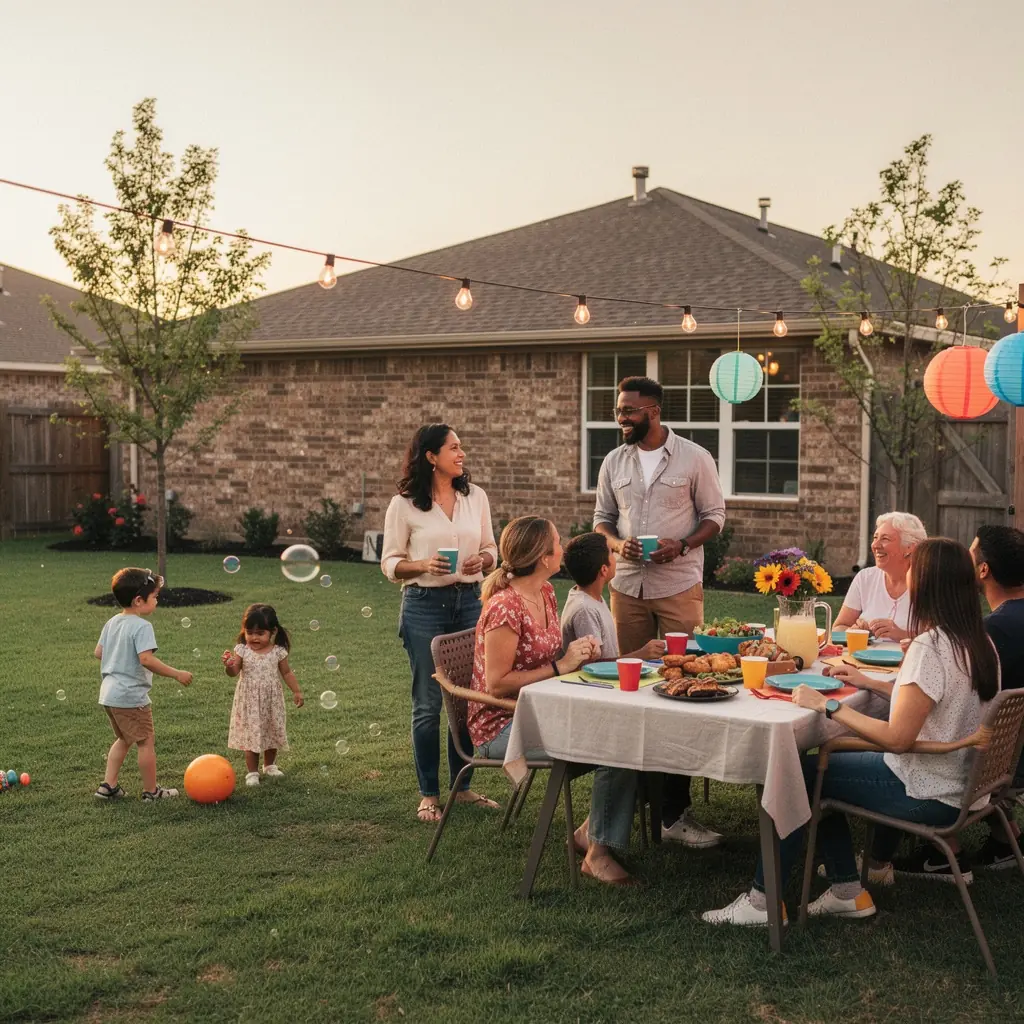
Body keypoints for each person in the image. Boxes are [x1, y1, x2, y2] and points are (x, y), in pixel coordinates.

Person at [703, 538, 999, 927]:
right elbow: (929, 700)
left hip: (927, 789)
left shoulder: (929, 646)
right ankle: (846, 891)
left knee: (800, 774)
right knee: (826, 764)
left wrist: (828, 705)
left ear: (926, 582)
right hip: (962, 784)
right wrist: (868, 683)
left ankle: (764, 901)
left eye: (913, 569)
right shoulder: (977, 643)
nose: (906, 574)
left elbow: (898, 739)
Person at [468, 515, 642, 885]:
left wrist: (580, 652)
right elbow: (497, 685)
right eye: (558, 543)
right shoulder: (505, 607)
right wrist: (562, 664)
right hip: (503, 724)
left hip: (543, 709)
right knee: (618, 745)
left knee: (628, 731)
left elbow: (551, 660)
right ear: (544, 558)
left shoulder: (546, 593)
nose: (563, 548)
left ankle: (588, 833)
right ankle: (597, 854)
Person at [593, 375, 726, 847]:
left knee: (681, 690)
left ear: (653, 410)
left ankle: (674, 813)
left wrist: (682, 544)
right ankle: (632, 805)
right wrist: (615, 544)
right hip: (627, 587)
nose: (621, 419)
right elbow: (601, 520)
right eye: (617, 411)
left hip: (678, 586)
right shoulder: (614, 460)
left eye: (628, 411)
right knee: (632, 690)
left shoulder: (694, 457)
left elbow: (715, 516)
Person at [382, 423, 499, 824]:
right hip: (424, 604)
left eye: (461, 446)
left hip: (470, 601)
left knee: (466, 698)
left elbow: (491, 550)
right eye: (453, 447)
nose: (461, 453)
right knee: (429, 703)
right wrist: (422, 565)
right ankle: (428, 794)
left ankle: (462, 788)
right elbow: (390, 563)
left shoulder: (475, 496)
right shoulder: (404, 505)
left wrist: (481, 562)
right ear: (431, 456)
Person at [895, 524, 1024, 875]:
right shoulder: (995, 627)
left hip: (991, 760)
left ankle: (912, 852)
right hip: (1002, 753)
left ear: (982, 570)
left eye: (970, 554)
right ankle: (1002, 837)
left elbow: (957, 695)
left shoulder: (992, 632)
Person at [561, 531, 667, 881]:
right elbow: (598, 669)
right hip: (585, 710)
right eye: (613, 552)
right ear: (606, 570)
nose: (618, 555)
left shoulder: (594, 600)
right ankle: (598, 852)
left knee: (648, 738)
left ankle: (589, 830)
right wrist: (643, 655)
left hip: (600, 703)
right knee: (624, 749)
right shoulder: (585, 610)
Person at [93, 568, 192, 801]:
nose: (157, 600)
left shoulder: (112, 622)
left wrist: (119, 657)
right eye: (155, 596)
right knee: (145, 741)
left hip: (109, 694)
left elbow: (99, 653)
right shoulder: (142, 626)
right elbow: (146, 659)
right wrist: (177, 674)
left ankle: (108, 786)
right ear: (139, 600)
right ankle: (151, 791)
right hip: (130, 696)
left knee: (124, 739)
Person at [222, 604, 304, 787]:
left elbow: (287, 673)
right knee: (252, 735)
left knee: (271, 730)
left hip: (271, 700)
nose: (254, 637)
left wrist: (296, 691)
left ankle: (269, 765)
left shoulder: (278, 651)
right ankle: (252, 772)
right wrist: (229, 665)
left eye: (260, 633)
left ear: (272, 631)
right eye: (249, 632)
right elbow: (234, 671)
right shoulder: (242, 650)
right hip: (249, 701)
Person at [834, 512, 927, 641]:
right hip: (863, 659)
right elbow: (839, 627)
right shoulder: (865, 578)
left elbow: (944, 640)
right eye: (875, 538)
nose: (875, 545)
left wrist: (902, 634)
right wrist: (852, 631)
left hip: (910, 660)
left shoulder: (929, 582)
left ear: (909, 548)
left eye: (885, 539)